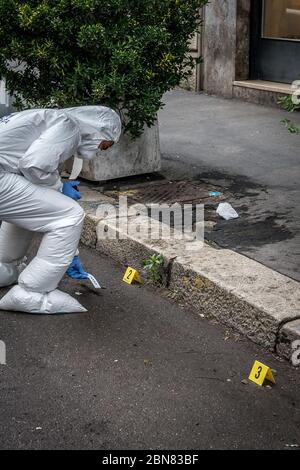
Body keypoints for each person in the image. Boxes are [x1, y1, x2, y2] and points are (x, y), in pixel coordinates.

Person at [0, 106, 122, 313]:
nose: (100, 150)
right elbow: (34, 166)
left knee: (35, 206)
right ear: (100, 130)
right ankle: (33, 293)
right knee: (70, 215)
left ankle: (5, 267)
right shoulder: (69, 126)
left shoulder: (49, 117)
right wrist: (59, 187)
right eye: (105, 145)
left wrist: (70, 252)